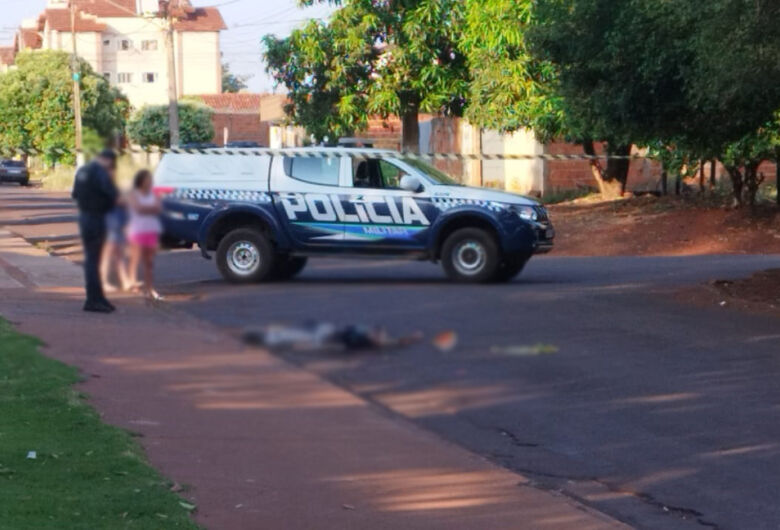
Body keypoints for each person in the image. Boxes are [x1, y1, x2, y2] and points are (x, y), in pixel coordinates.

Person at [72, 149, 119, 313]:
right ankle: (94, 300)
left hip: (85, 217)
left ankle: (98, 297)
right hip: (97, 218)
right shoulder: (100, 172)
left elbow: (75, 194)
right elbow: (112, 193)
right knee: (94, 262)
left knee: (92, 260)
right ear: (107, 160)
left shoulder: (82, 170)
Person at [127, 169, 163, 300]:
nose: (149, 182)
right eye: (147, 179)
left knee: (149, 262)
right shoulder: (134, 194)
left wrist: (148, 209)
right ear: (141, 181)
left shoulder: (154, 194)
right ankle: (133, 284)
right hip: (137, 230)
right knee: (135, 259)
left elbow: (158, 209)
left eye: (150, 179)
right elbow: (138, 209)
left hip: (151, 230)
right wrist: (150, 209)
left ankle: (150, 287)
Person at [101, 198, 131, 293]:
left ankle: (124, 281)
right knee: (107, 256)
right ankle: (102, 282)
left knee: (119, 256)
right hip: (111, 223)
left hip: (118, 221)